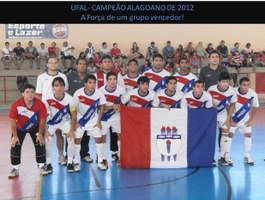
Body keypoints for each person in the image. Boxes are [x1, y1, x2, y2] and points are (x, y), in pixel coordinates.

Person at [8, 84, 48, 178]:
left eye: (32, 92)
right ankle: (15, 168)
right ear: (23, 94)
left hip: (35, 126)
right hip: (19, 127)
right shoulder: (16, 105)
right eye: (27, 92)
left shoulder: (40, 104)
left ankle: (42, 166)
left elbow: (42, 120)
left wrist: (40, 134)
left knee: (40, 143)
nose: (30, 94)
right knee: (15, 144)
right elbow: (12, 121)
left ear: (34, 93)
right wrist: (14, 136)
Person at [35, 57, 69, 165]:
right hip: (46, 110)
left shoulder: (63, 76)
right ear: (47, 64)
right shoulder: (41, 77)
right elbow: (38, 95)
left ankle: (60, 156)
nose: (53, 64)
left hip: (59, 110)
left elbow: (66, 93)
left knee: (59, 134)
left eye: (55, 62)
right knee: (46, 135)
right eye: (51, 63)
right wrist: (39, 110)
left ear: (57, 64)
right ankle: (45, 159)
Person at [73, 74, 107, 171]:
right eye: (90, 83)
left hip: (94, 121)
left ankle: (100, 161)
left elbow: (102, 106)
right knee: (77, 140)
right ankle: (77, 162)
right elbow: (73, 107)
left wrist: (99, 121)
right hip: (81, 121)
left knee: (99, 139)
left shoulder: (99, 93)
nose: (92, 85)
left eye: (94, 83)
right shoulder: (78, 93)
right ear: (85, 84)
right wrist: (75, 121)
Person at [95, 54, 124, 161]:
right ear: (101, 64)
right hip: (102, 112)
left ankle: (115, 152)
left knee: (115, 134)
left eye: (109, 61)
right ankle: (100, 156)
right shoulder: (95, 75)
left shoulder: (118, 76)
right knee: (102, 135)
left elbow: (121, 94)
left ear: (112, 63)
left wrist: (119, 106)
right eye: (105, 61)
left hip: (115, 113)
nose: (107, 63)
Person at [43, 77, 76, 173]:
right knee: (47, 139)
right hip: (51, 123)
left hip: (65, 122)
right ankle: (49, 163)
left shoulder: (70, 98)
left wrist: (71, 130)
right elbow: (44, 116)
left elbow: (73, 115)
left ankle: (70, 162)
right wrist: (45, 130)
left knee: (71, 138)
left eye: (61, 85)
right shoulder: (47, 98)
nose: (59, 88)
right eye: (56, 85)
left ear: (64, 87)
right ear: (53, 87)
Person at [227, 77, 259, 165]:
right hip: (233, 119)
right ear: (239, 85)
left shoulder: (253, 94)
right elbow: (227, 105)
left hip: (245, 120)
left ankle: (247, 156)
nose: (246, 87)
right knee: (229, 135)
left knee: (248, 135)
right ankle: (227, 156)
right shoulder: (233, 91)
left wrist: (250, 120)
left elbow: (255, 106)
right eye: (244, 85)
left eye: (248, 85)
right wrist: (229, 119)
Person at [66, 57, 93, 163]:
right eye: (80, 64)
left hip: (85, 109)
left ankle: (84, 154)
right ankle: (70, 155)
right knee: (71, 132)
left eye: (84, 64)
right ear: (76, 65)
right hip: (71, 109)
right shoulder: (69, 77)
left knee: (85, 133)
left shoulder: (89, 77)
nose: (82, 66)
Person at [207, 72, 237, 166]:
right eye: (223, 82)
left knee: (225, 132)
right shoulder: (211, 89)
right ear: (218, 82)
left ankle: (221, 157)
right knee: (210, 135)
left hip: (223, 113)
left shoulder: (232, 91)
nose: (225, 84)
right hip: (211, 113)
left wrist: (228, 119)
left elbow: (232, 105)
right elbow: (206, 102)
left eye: (227, 82)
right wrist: (212, 107)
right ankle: (209, 157)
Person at [99, 72, 125, 165]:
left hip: (117, 117)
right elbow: (99, 107)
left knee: (121, 136)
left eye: (114, 79)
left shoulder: (122, 90)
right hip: (104, 117)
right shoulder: (100, 91)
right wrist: (111, 107)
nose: (113, 81)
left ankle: (121, 157)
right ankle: (103, 159)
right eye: (110, 79)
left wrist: (120, 107)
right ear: (107, 80)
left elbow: (123, 105)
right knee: (102, 138)